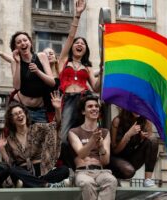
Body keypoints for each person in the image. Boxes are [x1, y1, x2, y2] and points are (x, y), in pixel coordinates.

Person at [0, 92, 69, 188]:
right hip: (24, 172)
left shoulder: (37, 128)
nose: (19, 115)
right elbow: (10, 164)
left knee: (64, 170)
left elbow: (55, 126)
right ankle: (45, 184)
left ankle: (36, 183)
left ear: (25, 114)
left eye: (21, 112)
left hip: (42, 170)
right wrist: (2, 149)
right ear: (11, 120)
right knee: (14, 171)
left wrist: (57, 109)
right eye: (15, 114)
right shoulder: (10, 139)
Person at [57, 0, 101, 144]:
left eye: (83, 43)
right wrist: (77, 15)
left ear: (86, 50)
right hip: (68, 99)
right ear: (72, 47)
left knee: (85, 134)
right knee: (64, 137)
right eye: (77, 43)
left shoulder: (87, 67)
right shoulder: (64, 60)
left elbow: (95, 87)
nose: (79, 44)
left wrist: (102, 72)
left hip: (84, 99)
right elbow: (70, 37)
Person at [68, 95, 117, 200]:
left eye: (96, 106)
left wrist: (101, 147)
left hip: (101, 171)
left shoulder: (105, 132)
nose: (94, 108)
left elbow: (105, 161)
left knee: (111, 180)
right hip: (82, 172)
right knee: (87, 183)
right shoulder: (74, 132)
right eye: (90, 106)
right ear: (83, 112)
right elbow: (82, 154)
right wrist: (92, 140)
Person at [10, 31, 59, 123]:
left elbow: (52, 82)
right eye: (19, 42)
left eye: (25, 40)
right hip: (21, 108)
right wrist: (18, 63)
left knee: (40, 136)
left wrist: (38, 71)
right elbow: (17, 86)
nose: (23, 43)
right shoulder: (14, 62)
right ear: (15, 47)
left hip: (40, 109)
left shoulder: (41, 56)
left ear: (30, 43)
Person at [109, 109, 158, 187]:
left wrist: (142, 139)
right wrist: (128, 135)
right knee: (129, 171)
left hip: (131, 157)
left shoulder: (146, 122)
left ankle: (148, 180)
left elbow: (150, 147)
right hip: (116, 159)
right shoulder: (117, 121)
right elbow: (115, 151)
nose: (137, 109)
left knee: (153, 140)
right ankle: (114, 177)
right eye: (134, 106)